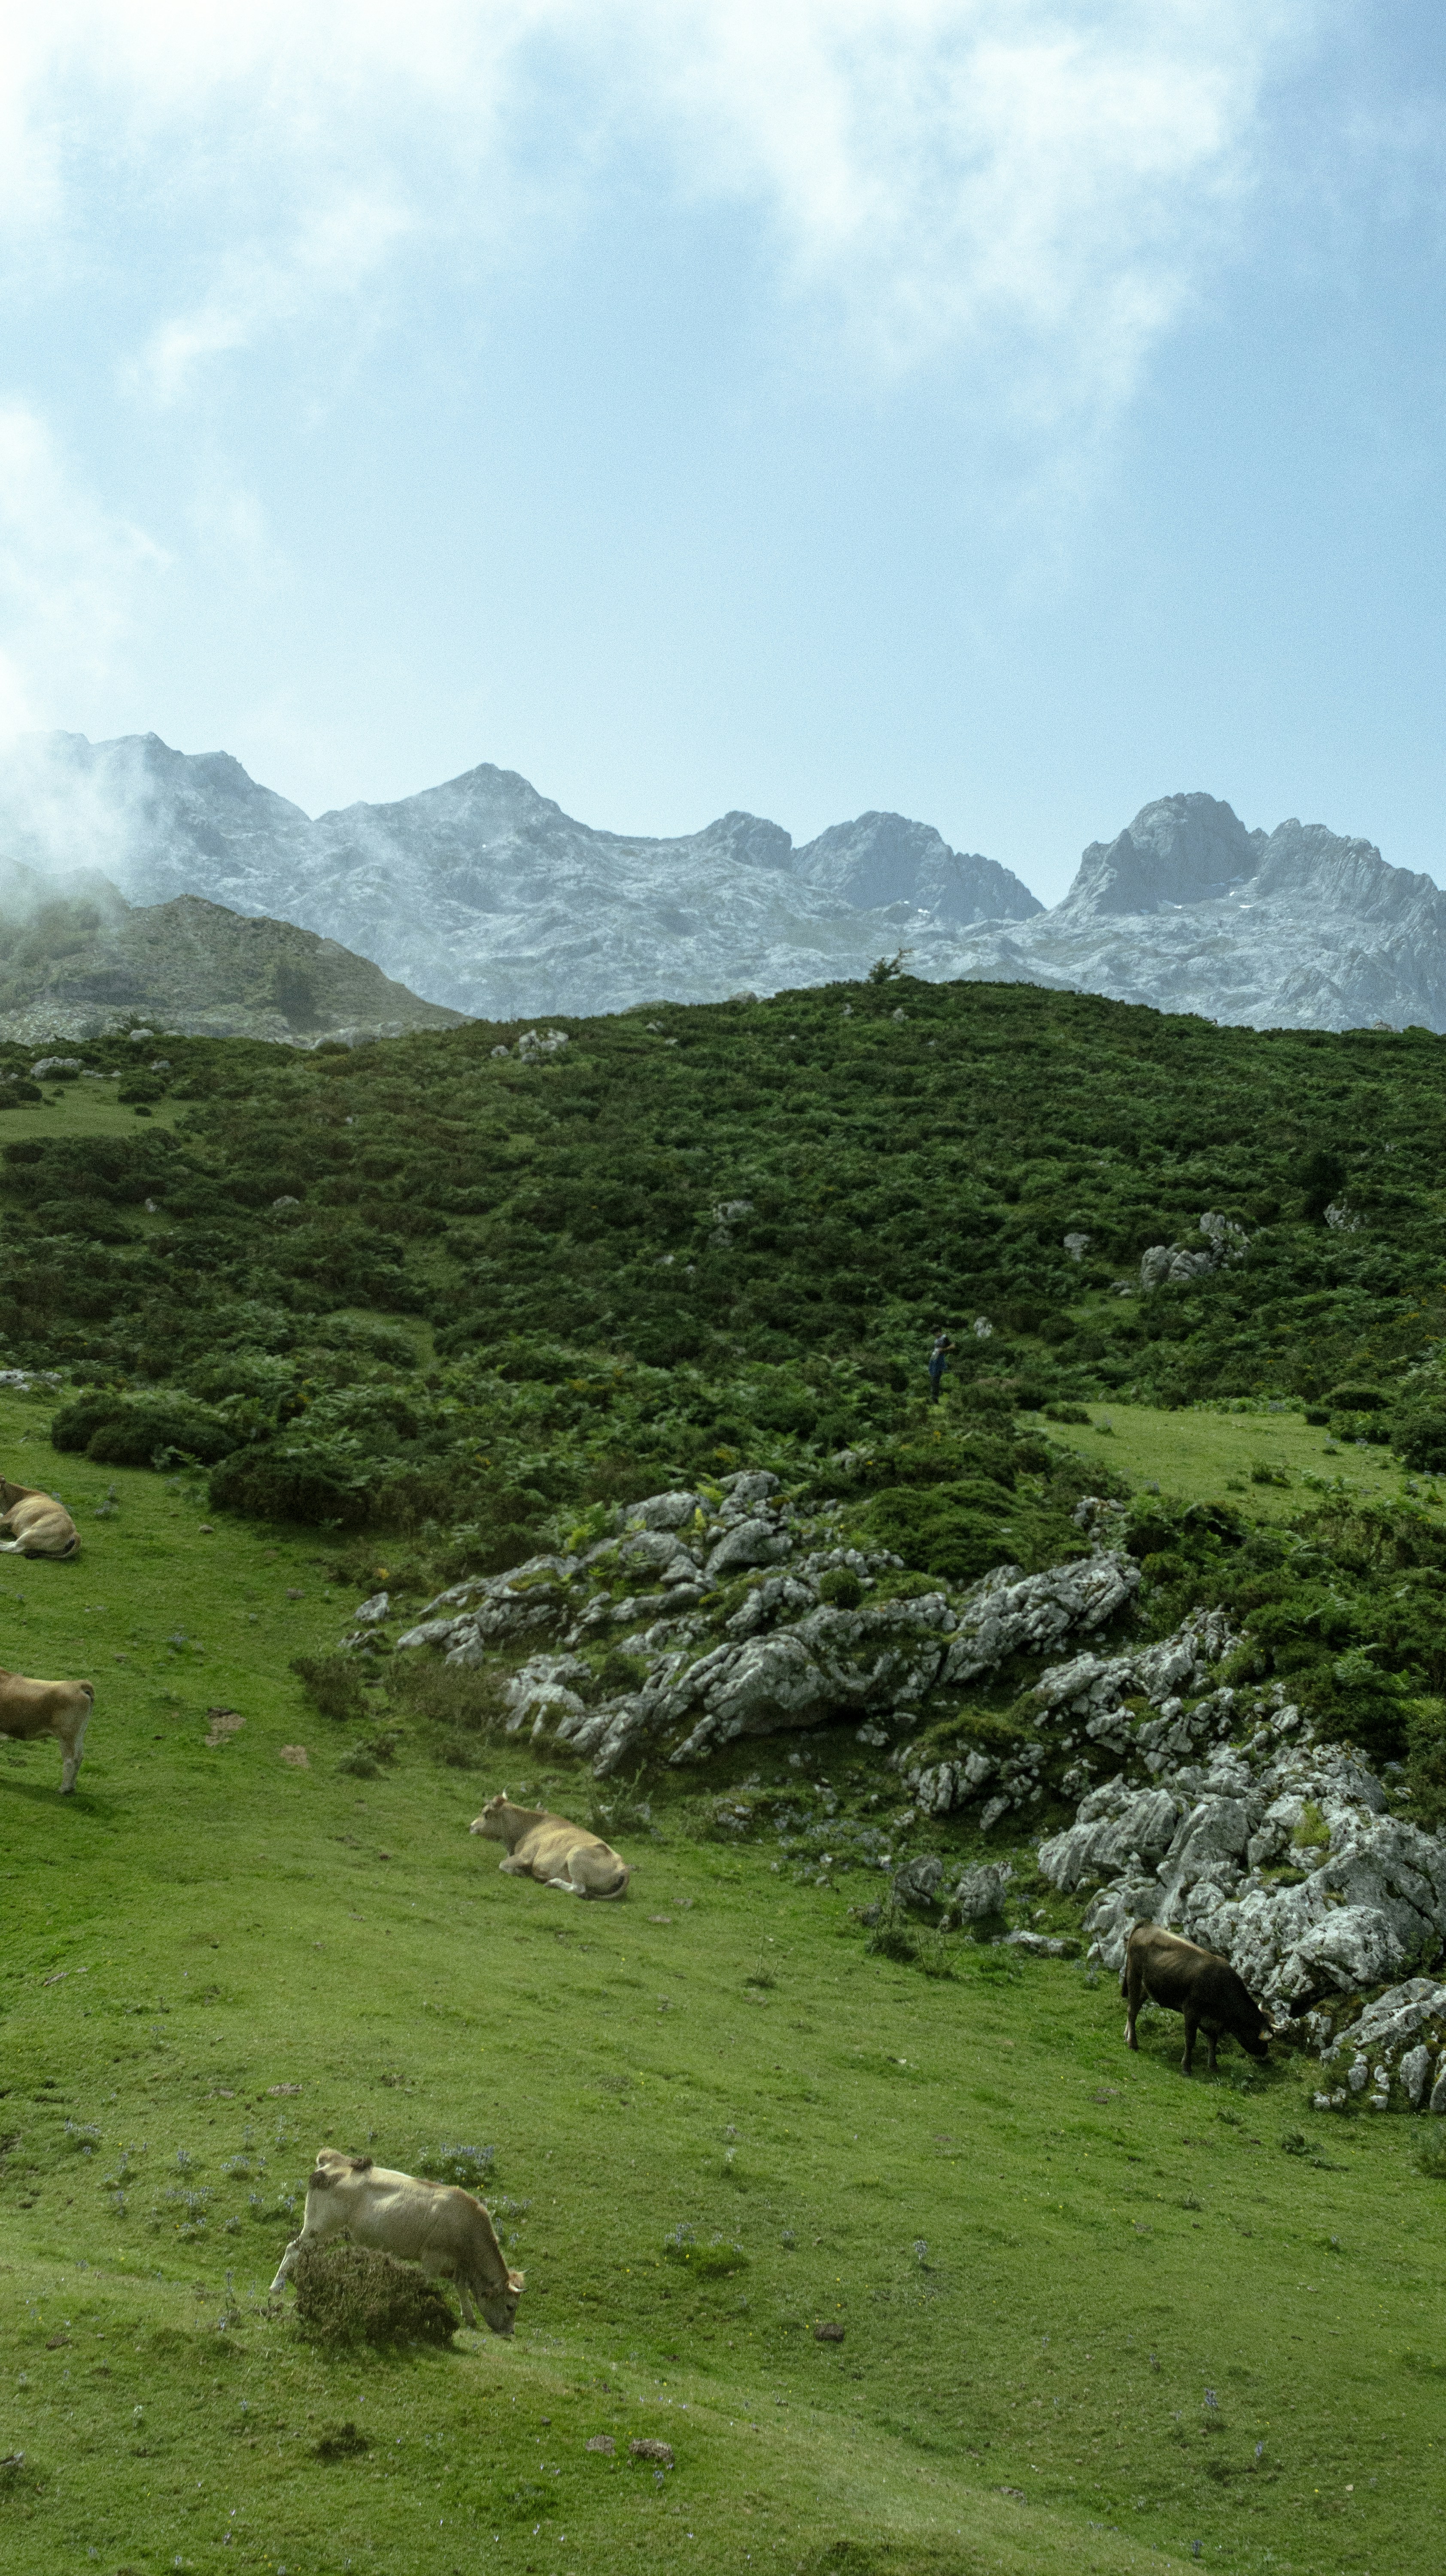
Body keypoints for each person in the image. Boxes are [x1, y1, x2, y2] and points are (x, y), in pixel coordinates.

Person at [927, 1331, 954, 1403]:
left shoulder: (944, 1338)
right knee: (934, 1380)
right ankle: (934, 1398)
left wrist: (943, 1350)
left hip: (939, 1361)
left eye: (936, 1333)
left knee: (936, 1379)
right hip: (934, 1360)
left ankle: (935, 1399)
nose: (935, 1335)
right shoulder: (937, 1340)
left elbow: (953, 1346)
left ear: (940, 1332)